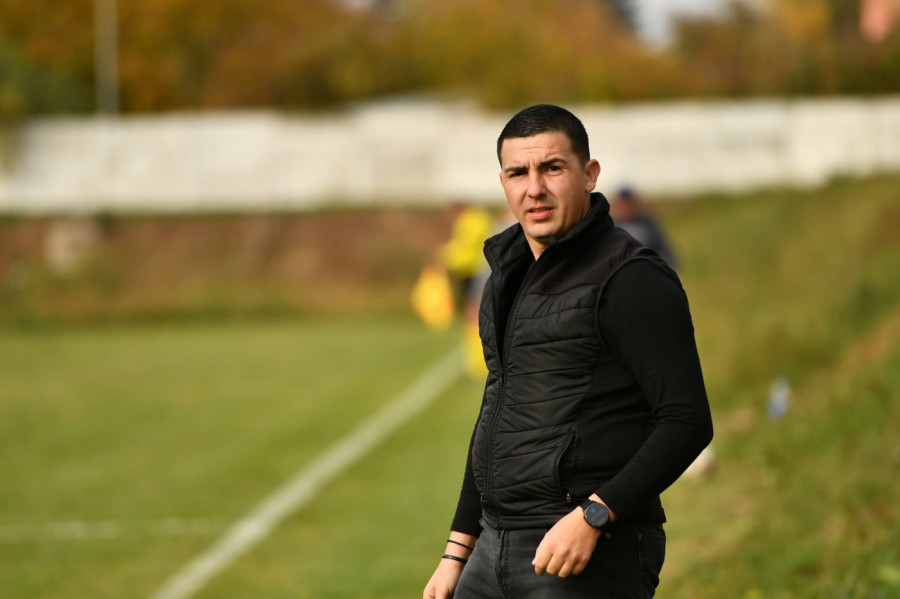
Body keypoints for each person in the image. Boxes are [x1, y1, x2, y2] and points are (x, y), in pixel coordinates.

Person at [423, 104, 713, 599]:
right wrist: (458, 550)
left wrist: (595, 515)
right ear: (503, 183)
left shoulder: (632, 277)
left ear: (589, 175)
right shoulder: (504, 279)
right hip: (492, 547)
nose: (534, 188)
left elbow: (687, 422)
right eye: (518, 173)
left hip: (588, 547)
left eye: (552, 168)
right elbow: (497, 416)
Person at [609, 186, 678, 270]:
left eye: (628, 204)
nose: (625, 208)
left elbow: (662, 246)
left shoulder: (647, 224)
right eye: (622, 204)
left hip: (648, 268)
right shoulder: (612, 226)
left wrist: (674, 267)